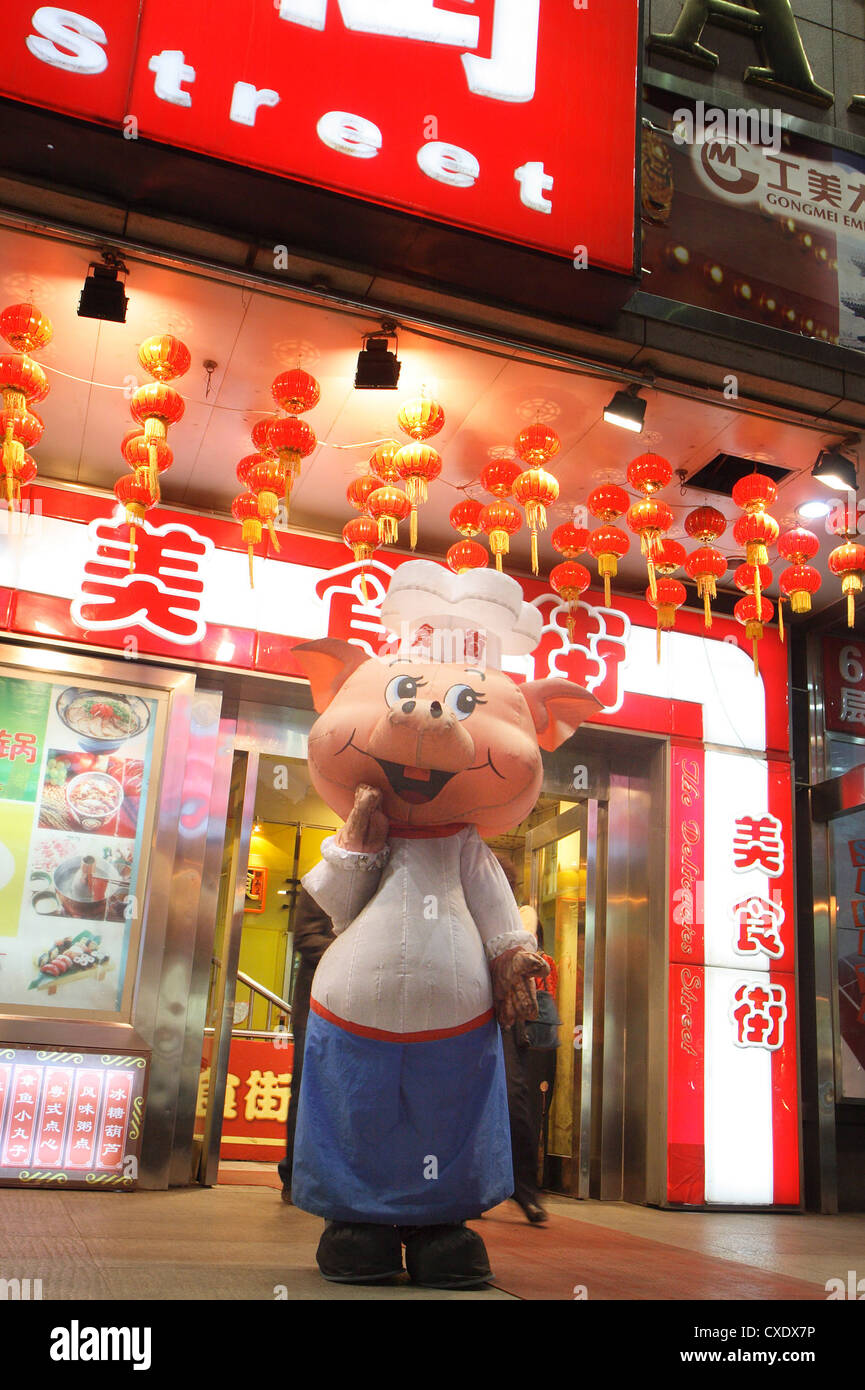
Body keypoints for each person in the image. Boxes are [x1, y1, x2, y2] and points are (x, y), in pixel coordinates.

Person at [496, 855, 556, 1226]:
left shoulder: (515, 917)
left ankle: (523, 1188)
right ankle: (475, 1186)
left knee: (516, 1103)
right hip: (469, 1018)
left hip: (505, 1023)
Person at [277, 886, 335, 1201]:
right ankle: (294, 1177)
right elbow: (306, 939)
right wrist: (357, 950)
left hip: (358, 1013)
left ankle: (334, 1176)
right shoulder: (319, 884)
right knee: (306, 1093)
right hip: (315, 1012)